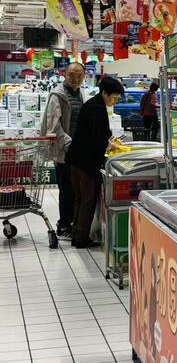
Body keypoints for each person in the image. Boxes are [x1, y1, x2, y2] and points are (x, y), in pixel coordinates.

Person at [66, 76, 125, 248]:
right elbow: (97, 137)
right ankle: (81, 238)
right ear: (105, 93)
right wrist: (109, 145)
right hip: (86, 163)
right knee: (87, 199)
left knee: (79, 199)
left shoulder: (93, 104)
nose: (114, 101)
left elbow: (98, 133)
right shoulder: (97, 108)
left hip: (76, 160)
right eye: (113, 97)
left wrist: (108, 141)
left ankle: (76, 234)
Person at [40, 62, 85, 242]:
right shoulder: (57, 95)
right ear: (65, 74)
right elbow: (54, 126)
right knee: (66, 189)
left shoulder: (79, 94)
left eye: (79, 75)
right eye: (72, 75)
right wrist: (69, 143)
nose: (75, 78)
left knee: (74, 189)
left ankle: (71, 223)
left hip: (76, 150)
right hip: (63, 150)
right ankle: (64, 225)